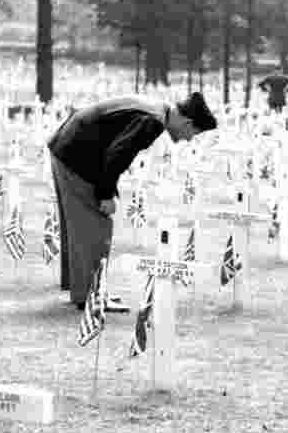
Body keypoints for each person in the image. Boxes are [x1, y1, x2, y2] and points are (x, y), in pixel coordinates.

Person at [47, 92, 217, 310]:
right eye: (193, 133)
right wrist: (105, 195)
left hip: (67, 145)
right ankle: (91, 296)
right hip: (76, 154)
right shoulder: (152, 122)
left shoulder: (155, 109)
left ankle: (83, 290)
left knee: (79, 224)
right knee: (96, 226)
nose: (188, 139)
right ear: (187, 122)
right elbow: (118, 154)